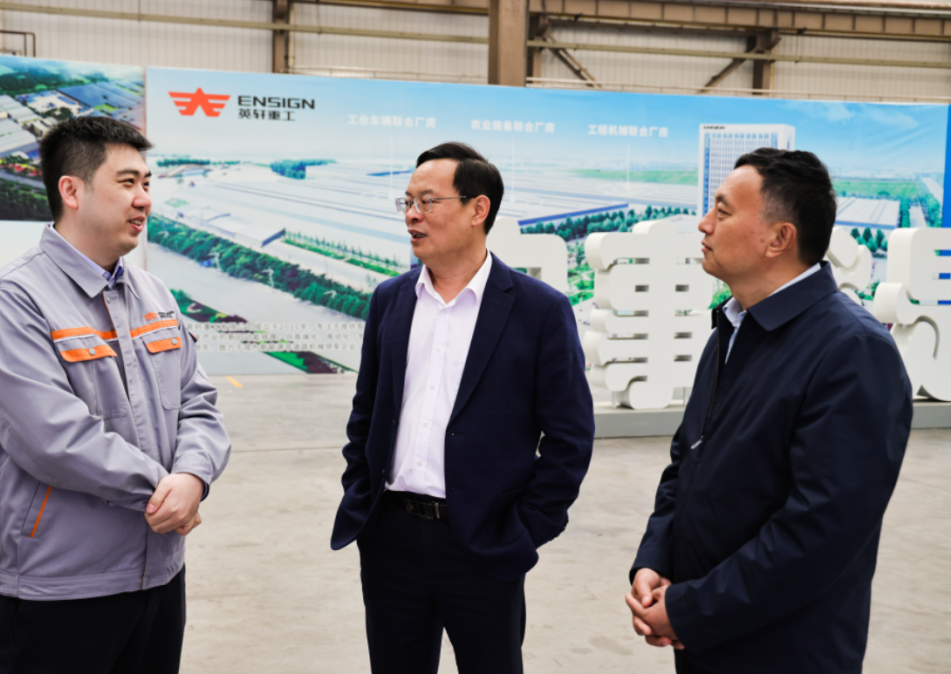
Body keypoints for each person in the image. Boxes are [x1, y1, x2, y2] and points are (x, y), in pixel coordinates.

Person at [625, 148, 912, 674]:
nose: (703, 224)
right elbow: (687, 463)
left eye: (722, 211)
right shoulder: (733, 329)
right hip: (705, 635)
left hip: (783, 649)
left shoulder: (852, 350)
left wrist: (691, 610)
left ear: (779, 238)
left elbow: (820, 530)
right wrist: (656, 559)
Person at [0, 116, 231, 674]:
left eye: (147, 183)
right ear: (72, 190)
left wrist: (193, 476)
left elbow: (198, 402)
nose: (145, 199)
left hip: (159, 574)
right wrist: (164, 492)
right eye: (128, 182)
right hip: (61, 587)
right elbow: (51, 438)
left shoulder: (155, 294)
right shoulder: (15, 299)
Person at [331, 142, 595, 674]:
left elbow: (570, 436)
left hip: (484, 542)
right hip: (391, 536)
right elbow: (367, 412)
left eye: (428, 201)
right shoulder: (390, 300)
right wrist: (361, 490)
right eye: (407, 201)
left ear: (478, 209)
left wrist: (525, 529)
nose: (412, 214)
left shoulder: (539, 309)